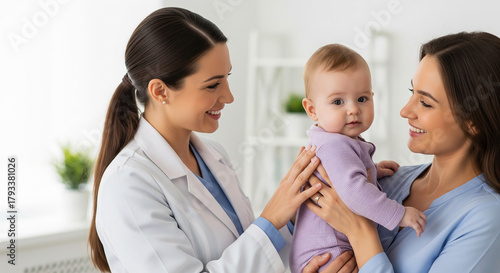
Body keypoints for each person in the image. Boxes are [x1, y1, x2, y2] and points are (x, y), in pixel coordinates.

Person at [87, 7, 355, 273]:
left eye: (227, 78)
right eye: (213, 85)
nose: (229, 96)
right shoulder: (128, 184)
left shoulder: (213, 156)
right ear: (160, 91)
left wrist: (297, 212)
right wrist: (271, 218)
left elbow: (248, 254)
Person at [306, 31, 500, 272]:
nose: (405, 111)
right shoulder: (384, 181)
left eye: (426, 102)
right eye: (412, 93)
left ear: (474, 122)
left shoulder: (487, 218)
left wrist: (361, 232)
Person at [289, 44, 427, 273]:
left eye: (362, 99)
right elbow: (354, 192)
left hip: (321, 251)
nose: (353, 109)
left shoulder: (334, 141)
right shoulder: (334, 145)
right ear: (312, 110)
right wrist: (398, 213)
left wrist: (371, 169)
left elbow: (344, 176)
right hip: (327, 256)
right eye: (338, 102)